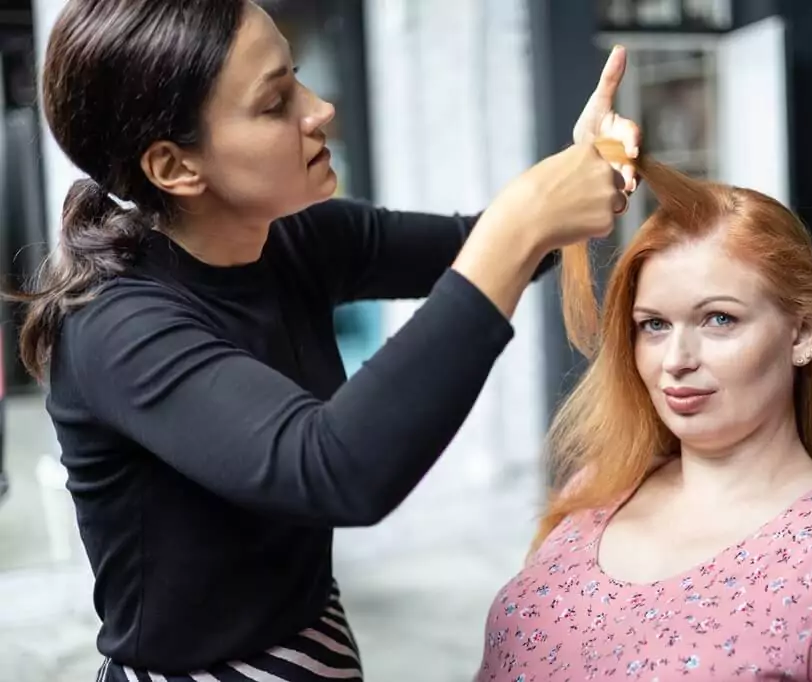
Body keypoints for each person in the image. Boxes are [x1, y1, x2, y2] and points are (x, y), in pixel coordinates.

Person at [9, 1, 642, 681]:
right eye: (276, 102)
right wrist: (522, 227)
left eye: (298, 78)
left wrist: (577, 174)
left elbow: (483, 247)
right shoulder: (115, 328)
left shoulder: (296, 241)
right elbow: (334, 467)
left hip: (317, 645)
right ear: (174, 166)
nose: (320, 110)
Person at [476, 143, 812, 681]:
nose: (676, 361)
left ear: (804, 333)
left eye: (719, 319)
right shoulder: (595, 492)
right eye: (654, 325)